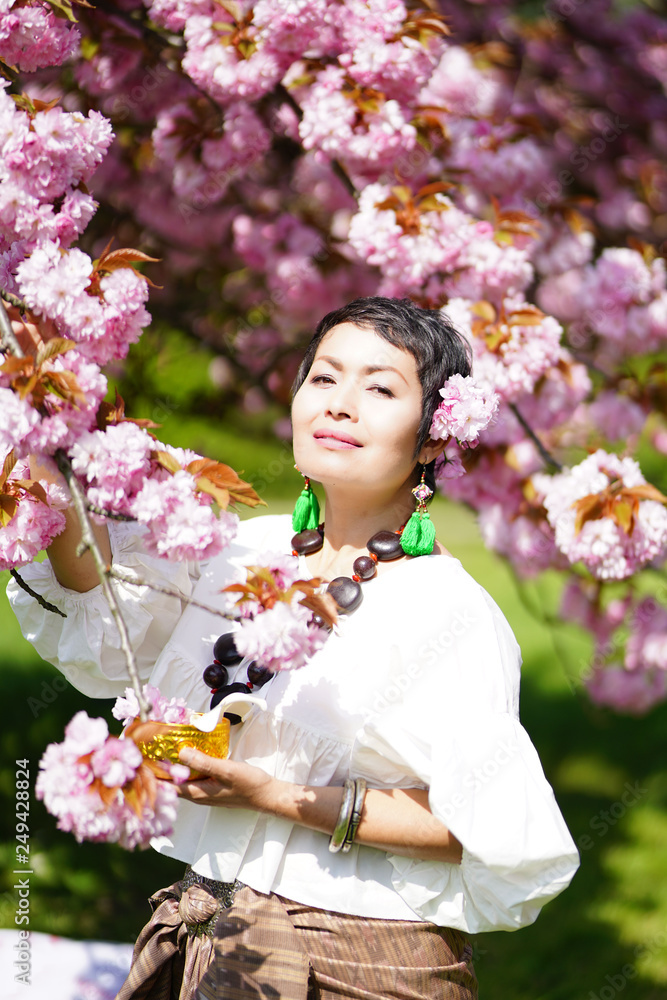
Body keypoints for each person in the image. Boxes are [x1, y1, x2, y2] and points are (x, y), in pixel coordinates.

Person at [8, 297, 580, 1000]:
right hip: (203, 933)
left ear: (434, 437)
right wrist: (38, 418)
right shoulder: (231, 545)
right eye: (324, 377)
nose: (340, 405)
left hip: (363, 961)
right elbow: (91, 577)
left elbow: (467, 825)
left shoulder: (450, 612)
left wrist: (273, 796)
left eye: (379, 388)